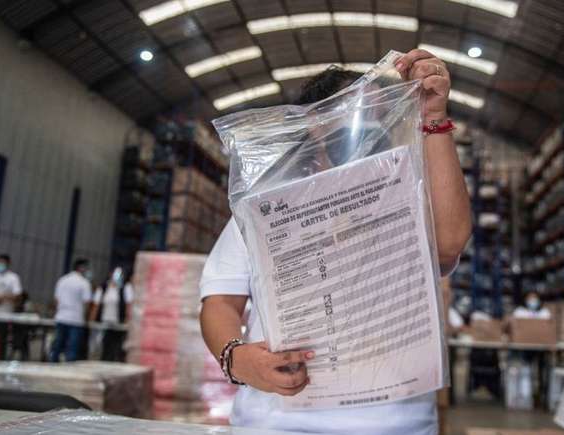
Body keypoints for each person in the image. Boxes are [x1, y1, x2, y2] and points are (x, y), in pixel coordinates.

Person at [199, 50, 472, 434]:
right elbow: (220, 301)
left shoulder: (406, 198)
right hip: (272, 422)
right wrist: (236, 358)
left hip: (393, 425)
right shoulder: (266, 209)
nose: (357, 136)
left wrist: (432, 118)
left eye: (369, 119)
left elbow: (449, 245)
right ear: (310, 130)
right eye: (340, 122)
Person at [49, 258, 93, 362]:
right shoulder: (84, 283)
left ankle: (52, 366)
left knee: (57, 347)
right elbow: (87, 303)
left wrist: (58, 312)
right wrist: (86, 318)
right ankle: (69, 370)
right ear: (82, 268)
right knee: (72, 350)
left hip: (61, 317)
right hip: (76, 319)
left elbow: (56, 300)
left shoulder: (63, 280)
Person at [89, 267, 133, 361]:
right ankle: (102, 359)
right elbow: (96, 305)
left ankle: (115, 360)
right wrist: (91, 320)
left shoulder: (125, 288)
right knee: (103, 343)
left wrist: (128, 319)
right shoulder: (103, 288)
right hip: (104, 321)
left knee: (116, 345)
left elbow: (129, 305)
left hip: (118, 322)